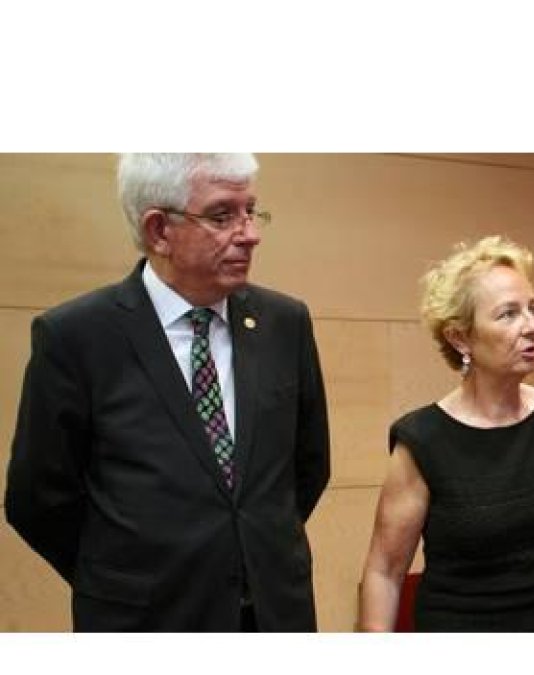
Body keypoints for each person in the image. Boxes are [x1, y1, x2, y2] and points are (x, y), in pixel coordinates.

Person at [5, 154, 331, 631]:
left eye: (250, 210)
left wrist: (244, 548)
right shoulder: (76, 336)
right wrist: (122, 575)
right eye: (223, 216)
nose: (250, 232)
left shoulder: (285, 323)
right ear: (159, 230)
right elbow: (39, 499)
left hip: (272, 615)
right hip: (144, 620)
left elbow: (307, 467)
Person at [357, 235, 534, 632]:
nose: (532, 327)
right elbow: (384, 572)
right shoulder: (423, 440)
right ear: (460, 337)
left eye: (533, 309)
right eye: (508, 314)